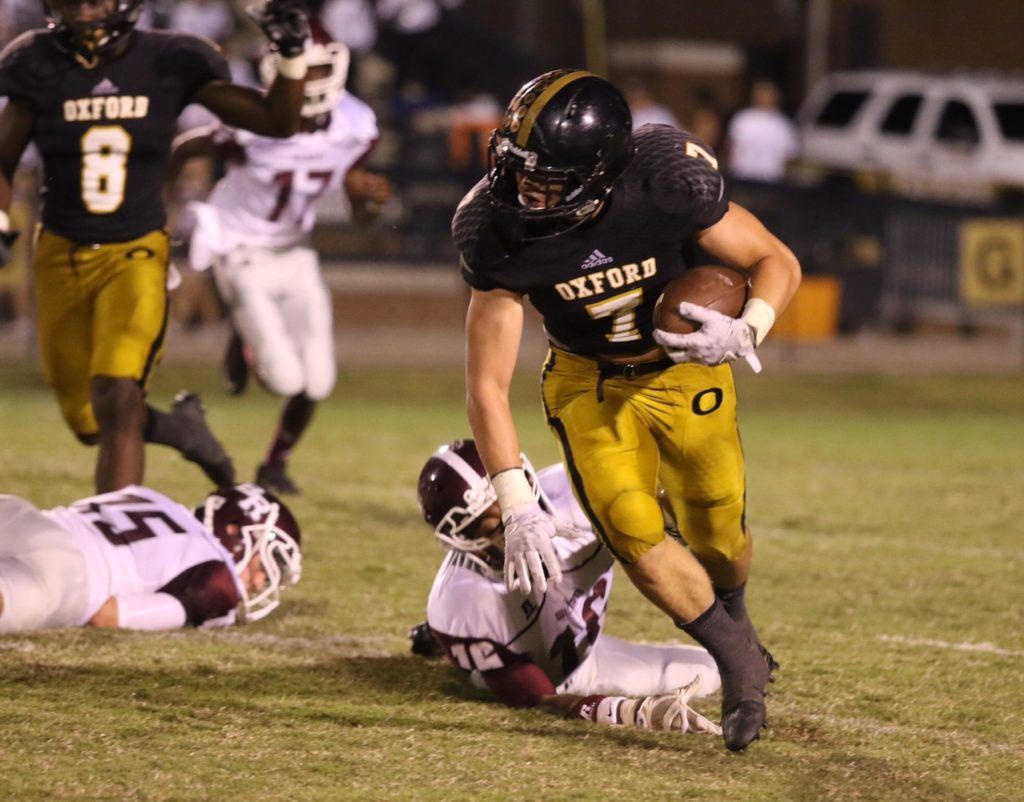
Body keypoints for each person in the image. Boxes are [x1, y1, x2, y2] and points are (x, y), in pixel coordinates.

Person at [452, 70, 801, 751]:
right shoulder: (491, 228)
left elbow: (771, 258)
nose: (525, 190)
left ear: (603, 174)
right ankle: (737, 661)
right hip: (588, 382)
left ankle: (732, 617)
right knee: (633, 532)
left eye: (548, 179)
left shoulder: (664, 178)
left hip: (681, 369)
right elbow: (486, 385)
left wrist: (748, 327)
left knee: (718, 529)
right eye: (520, 169)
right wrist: (516, 500)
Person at [0, 0, 312, 493]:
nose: (84, 11)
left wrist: (292, 54)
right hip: (59, 252)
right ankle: (181, 430)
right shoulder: (33, 62)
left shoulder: (171, 58)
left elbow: (277, 121)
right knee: (88, 422)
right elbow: (3, 159)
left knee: (118, 396)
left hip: (135, 252)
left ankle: (118, 540)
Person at [172, 26, 392, 495]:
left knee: (317, 381)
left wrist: (370, 203)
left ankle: (275, 463)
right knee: (283, 375)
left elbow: (361, 214)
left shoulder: (355, 123)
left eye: (317, 65)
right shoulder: (253, 119)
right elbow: (188, 146)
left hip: (294, 249)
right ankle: (244, 334)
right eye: (301, 65)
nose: (309, 76)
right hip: (240, 249)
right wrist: (161, 198)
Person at [411, 439, 722, 735]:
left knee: (710, 665)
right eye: (492, 526)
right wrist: (626, 712)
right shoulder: (463, 601)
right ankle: (458, 646)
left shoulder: (576, 491)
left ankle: (445, 642)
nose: (511, 524)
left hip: (583, 642)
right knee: (707, 672)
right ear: (463, 542)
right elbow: (537, 699)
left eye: (508, 499)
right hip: (565, 675)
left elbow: (674, 517)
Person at [0, 482, 302, 633]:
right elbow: (108, 615)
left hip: (28, 518)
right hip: (68, 575)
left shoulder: (153, 497)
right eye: (263, 565)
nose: (261, 582)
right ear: (236, 531)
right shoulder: (218, 581)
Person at [725, 79, 799, 183]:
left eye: (768, 94)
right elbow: (731, 146)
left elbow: (789, 156)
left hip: (771, 179)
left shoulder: (783, 124)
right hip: (742, 176)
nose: (764, 98)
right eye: (761, 94)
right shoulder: (742, 119)